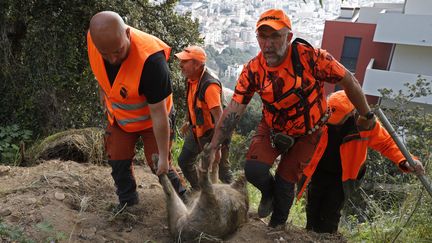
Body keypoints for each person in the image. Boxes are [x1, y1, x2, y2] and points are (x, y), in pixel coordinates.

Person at [208, 8, 378, 228]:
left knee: (286, 180)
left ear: (289, 37)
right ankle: (268, 195)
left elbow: (349, 81)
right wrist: (213, 146)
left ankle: (277, 225)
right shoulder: (253, 70)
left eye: (275, 36)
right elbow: (234, 109)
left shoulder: (312, 58)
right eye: (263, 36)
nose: (268, 43)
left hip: (309, 130)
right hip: (272, 125)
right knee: (254, 169)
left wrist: (366, 114)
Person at [87, 11, 185, 211]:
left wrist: (164, 157)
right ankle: (128, 203)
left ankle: (186, 204)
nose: (113, 58)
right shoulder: (95, 40)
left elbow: (159, 115)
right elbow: (102, 76)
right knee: (118, 160)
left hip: (154, 122)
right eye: (106, 54)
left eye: (118, 50)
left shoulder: (152, 62)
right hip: (120, 118)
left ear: (128, 34)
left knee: (160, 165)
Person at [305, 90, 425, 233]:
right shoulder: (321, 116)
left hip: (344, 176)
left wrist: (405, 160)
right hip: (319, 169)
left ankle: (326, 237)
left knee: (330, 211)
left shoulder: (365, 125)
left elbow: (387, 143)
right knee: (312, 206)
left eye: (338, 121)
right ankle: (309, 234)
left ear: (351, 113)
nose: (334, 124)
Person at [174, 45, 233, 190]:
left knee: (222, 170)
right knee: (184, 161)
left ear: (196, 64)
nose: (180, 65)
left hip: (214, 134)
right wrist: (189, 121)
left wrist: (217, 146)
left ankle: (234, 200)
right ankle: (200, 191)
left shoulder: (209, 86)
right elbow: (193, 102)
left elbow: (220, 119)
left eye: (185, 61)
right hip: (198, 130)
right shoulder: (192, 78)